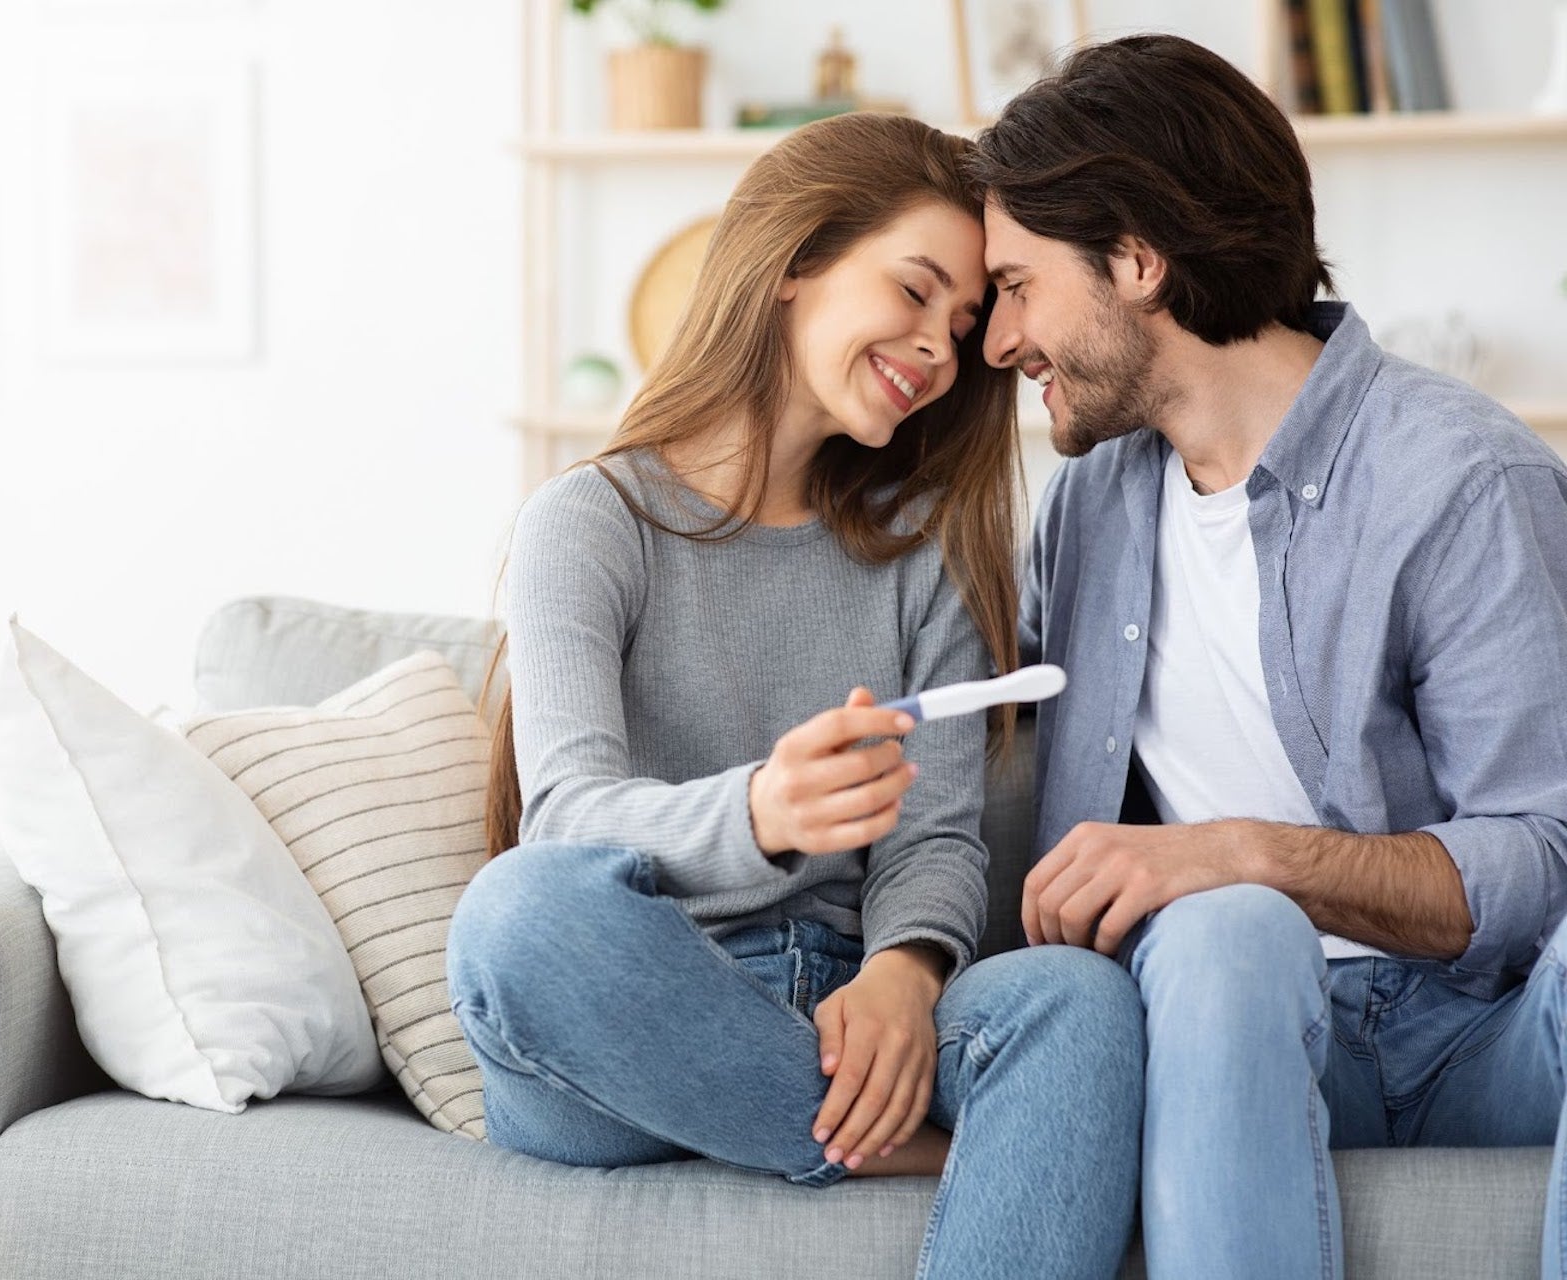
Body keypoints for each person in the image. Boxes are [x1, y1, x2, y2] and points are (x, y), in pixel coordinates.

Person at [446, 111, 1143, 1280]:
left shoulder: (924, 554)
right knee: (515, 915)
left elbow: (936, 838)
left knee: (1076, 999)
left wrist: (902, 972)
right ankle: (906, 1149)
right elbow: (563, 817)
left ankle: (805, 1118)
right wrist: (762, 812)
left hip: (840, 1006)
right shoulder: (593, 522)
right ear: (792, 265)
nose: (938, 349)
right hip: (633, 1015)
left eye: (962, 325)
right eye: (914, 290)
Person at [970, 33, 1567, 1278]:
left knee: (1233, 894)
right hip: (1239, 1024)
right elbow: (983, 713)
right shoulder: (1090, 508)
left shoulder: (1462, 480)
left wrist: (1246, 850)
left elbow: (1544, 852)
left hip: (1488, 1037)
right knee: (1225, 928)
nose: (998, 338)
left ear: (1137, 261)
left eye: (1018, 286)